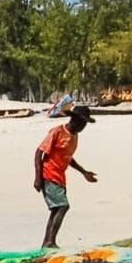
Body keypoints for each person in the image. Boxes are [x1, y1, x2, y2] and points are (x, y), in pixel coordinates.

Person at [32, 104, 98, 249]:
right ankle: (50, 242)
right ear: (74, 120)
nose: (84, 126)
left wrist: (84, 172)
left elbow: (68, 158)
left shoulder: (75, 137)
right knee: (63, 206)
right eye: (83, 123)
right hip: (49, 174)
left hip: (60, 177)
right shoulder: (57, 132)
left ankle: (46, 243)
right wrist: (37, 177)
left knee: (56, 209)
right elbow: (39, 152)